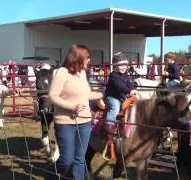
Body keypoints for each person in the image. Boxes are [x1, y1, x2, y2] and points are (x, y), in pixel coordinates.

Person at [49, 44, 102, 180]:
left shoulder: (82, 73)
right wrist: (71, 106)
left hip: (84, 122)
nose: (89, 60)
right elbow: (53, 96)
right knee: (66, 160)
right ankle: (59, 176)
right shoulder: (62, 72)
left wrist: (100, 95)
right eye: (87, 57)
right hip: (65, 122)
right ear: (78, 57)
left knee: (79, 159)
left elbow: (85, 94)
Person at [104, 52, 137, 133]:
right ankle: (109, 124)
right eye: (121, 65)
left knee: (130, 106)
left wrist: (133, 89)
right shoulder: (113, 76)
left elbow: (130, 84)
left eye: (125, 65)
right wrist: (129, 91)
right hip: (112, 97)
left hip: (121, 96)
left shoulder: (126, 75)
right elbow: (118, 86)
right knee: (115, 108)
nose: (124, 67)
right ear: (115, 66)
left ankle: (127, 123)